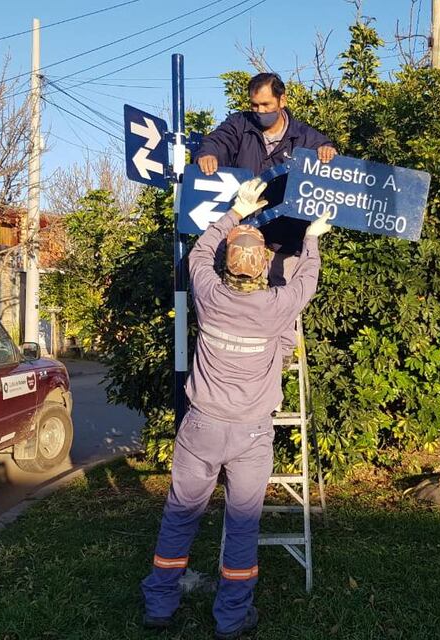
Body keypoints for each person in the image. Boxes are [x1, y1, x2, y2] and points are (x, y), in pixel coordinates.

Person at [140, 177, 333, 639]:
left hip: (201, 428)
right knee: (242, 527)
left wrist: (236, 210)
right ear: (264, 267)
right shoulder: (277, 307)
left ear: (229, 266)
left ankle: (160, 605)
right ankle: (230, 617)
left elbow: (198, 254)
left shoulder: (207, 298)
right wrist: (310, 237)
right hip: (251, 436)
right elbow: (307, 279)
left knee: (180, 514)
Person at [194, 72, 337, 177]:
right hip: (243, 213)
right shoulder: (238, 124)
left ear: (282, 100)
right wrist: (208, 154)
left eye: (265, 104)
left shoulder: (305, 136)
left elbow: (327, 157)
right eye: (255, 105)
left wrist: (327, 152)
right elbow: (218, 141)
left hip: (285, 216)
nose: (260, 110)